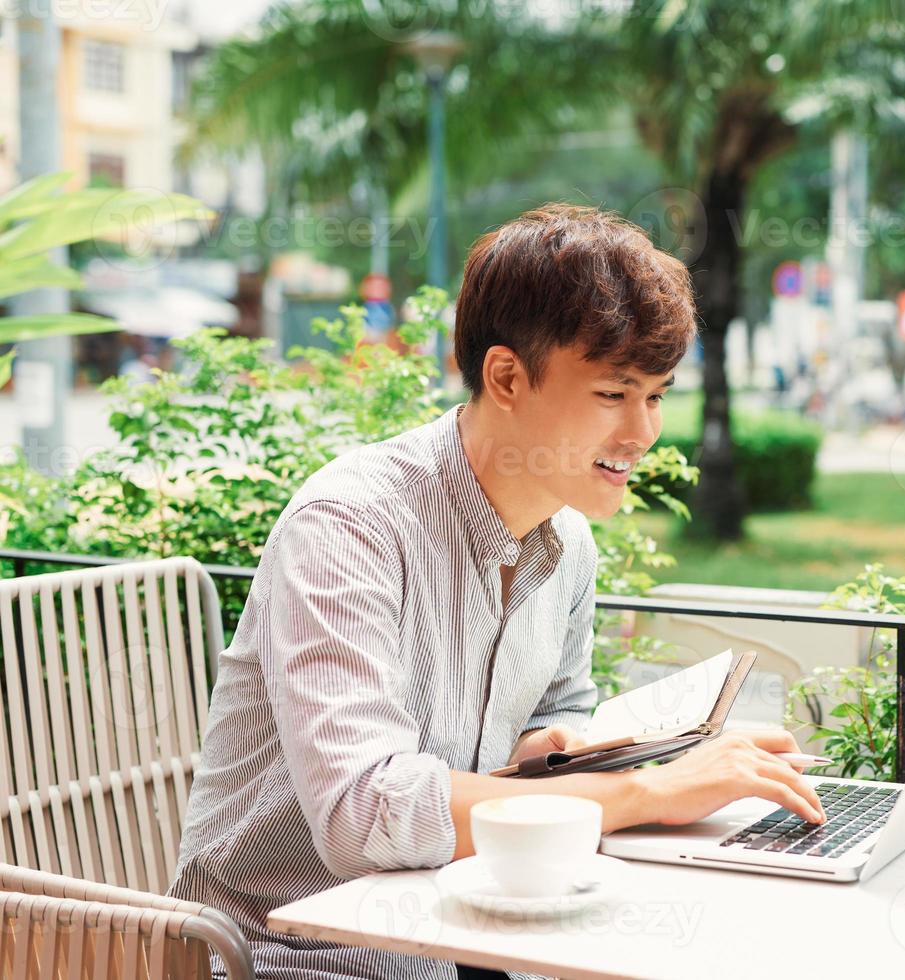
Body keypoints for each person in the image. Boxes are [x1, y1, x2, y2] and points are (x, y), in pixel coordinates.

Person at [168, 204, 826, 980]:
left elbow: (556, 709)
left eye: (655, 395)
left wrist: (560, 755)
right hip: (288, 954)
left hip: (476, 930)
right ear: (507, 377)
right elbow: (364, 814)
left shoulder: (565, 536)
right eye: (614, 394)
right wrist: (642, 793)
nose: (644, 432)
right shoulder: (349, 526)